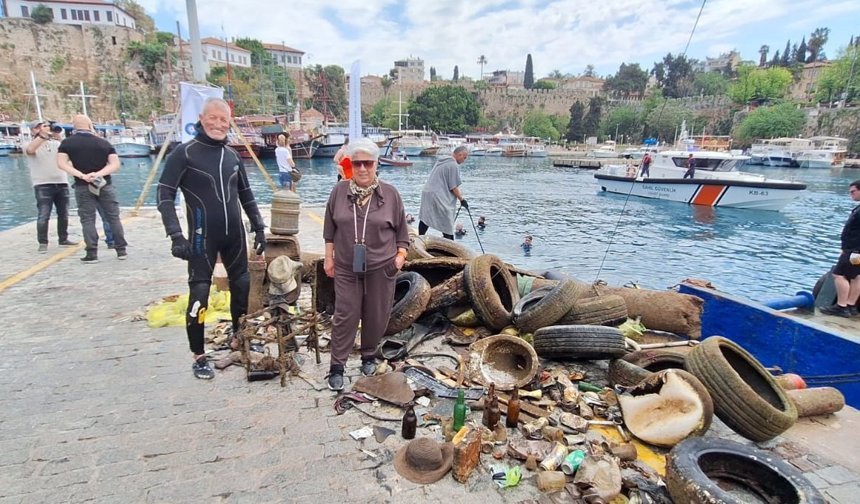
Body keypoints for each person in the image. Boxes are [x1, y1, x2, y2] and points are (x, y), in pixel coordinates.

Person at [157, 97, 267, 380]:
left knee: (242, 287)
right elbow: (164, 195)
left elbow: (246, 195)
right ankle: (198, 354)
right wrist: (175, 235)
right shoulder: (185, 153)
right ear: (202, 119)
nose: (218, 124)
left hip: (235, 236)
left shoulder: (232, 156)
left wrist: (259, 227)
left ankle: (239, 337)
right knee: (199, 295)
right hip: (200, 238)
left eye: (224, 119)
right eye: (213, 118)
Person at [323, 137, 409, 391]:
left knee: (376, 315)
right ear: (350, 164)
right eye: (357, 163)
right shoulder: (339, 192)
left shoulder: (390, 195)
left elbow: (403, 234)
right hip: (347, 267)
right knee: (345, 315)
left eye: (368, 164)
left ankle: (368, 355)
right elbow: (330, 229)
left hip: (381, 267)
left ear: (376, 164)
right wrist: (329, 257)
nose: (362, 169)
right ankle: (337, 366)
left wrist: (399, 259)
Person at [57, 114, 127, 263]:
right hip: (104, 183)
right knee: (113, 217)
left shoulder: (67, 143)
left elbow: (61, 163)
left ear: (74, 127)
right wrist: (98, 174)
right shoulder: (103, 143)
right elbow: (115, 164)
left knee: (87, 219)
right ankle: (121, 249)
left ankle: (92, 253)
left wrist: (82, 175)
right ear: (90, 126)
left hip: (83, 185)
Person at [24, 120, 76, 253]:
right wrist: (42, 136)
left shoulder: (56, 144)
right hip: (42, 184)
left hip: (61, 182)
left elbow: (68, 157)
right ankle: (43, 242)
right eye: (43, 127)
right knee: (44, 214)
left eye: (48, 126)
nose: (47, 129)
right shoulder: (29, 144)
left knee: (63, 213)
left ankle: (63, 238)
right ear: (34, 130)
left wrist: (60, 137)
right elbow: (30, 150)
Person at [820, 180, 860, 317]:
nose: (851, 195)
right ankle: (851, 305)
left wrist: (846, 248)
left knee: (839, 275)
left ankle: (841, 306)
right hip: (857, 251)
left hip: (853, 251)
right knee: (856, 277)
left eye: (853, 192)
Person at [418, 145, 469, 240]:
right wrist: (462, 199)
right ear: (459, 154)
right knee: (447, 220)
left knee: (426, 218)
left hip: (427, 193)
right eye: (464, 158)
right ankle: (450, 243)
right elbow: (453, 187)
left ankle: (419, 238)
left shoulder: (441, 161)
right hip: (437, 195)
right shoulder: (453, 164)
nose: (464, 160)